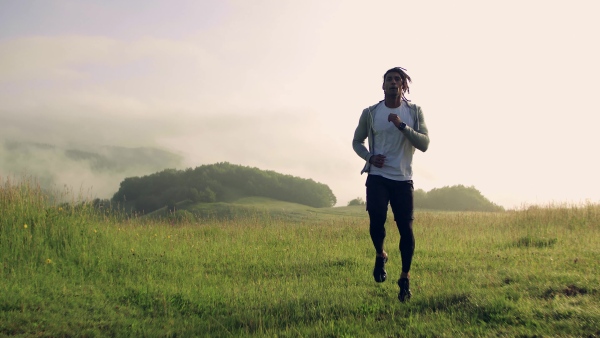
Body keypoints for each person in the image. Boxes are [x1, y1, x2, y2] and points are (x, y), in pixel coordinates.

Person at [352, 67, 430, 302]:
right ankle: (380, 254)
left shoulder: (414, 112)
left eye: (398, 79)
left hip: (403, 179)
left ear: (403, 86)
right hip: (377, 176)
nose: (393, 83)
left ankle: (404, 278)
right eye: (389, 80)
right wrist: (369, 157)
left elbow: (425, 143)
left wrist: (402, 126)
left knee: (405, 229)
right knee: (376, 220)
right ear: (383, 86)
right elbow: (357, 141)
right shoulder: (371, 112)